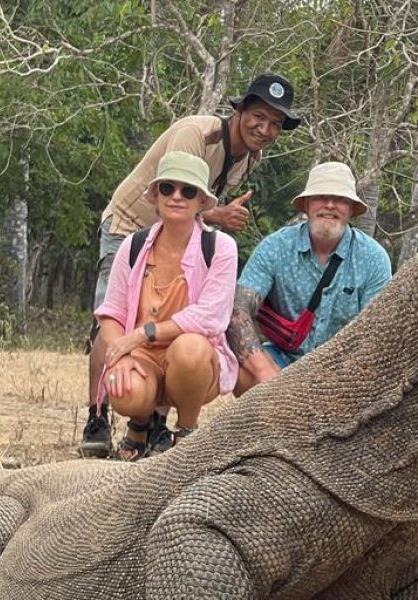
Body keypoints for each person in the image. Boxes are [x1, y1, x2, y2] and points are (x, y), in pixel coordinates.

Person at [81, 73, 301, 457]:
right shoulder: (196, 135)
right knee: (111, 323)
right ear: (239, 110)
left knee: (181, 331)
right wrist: (219, 215)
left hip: (183, 239)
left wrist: (214, 217)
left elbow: (198, 205)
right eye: (258, 117)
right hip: (130, 225)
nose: (264, 129)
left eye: (275, 124)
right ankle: (96, 418)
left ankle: (157, 427)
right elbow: (179, 192)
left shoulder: (251, 157)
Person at [94, 151, 239, 461]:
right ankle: (139, 425)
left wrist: (142, 333)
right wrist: (120, 354)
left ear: (202, 201)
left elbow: (211, 317)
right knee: (124, 387)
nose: (176, 197)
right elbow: (111, 313)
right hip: (142, 358)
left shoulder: (220, 247)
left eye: (188, 191)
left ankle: (186, 433)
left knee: (191, 349)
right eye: (167, 188)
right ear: (155, 196)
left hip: (192, 362)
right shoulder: (132, 246)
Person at [227, 161, 392, 394]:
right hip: (280, 358)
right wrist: (265, 371)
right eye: (320, 197)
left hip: (344, 369)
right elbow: (237, 308)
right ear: (306, 204)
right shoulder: (275, 247)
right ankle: (263, 427)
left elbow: (379, 332)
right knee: (243, 374)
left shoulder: (374, 258)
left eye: (340, 199)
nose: (330, 205)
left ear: (352, 209)